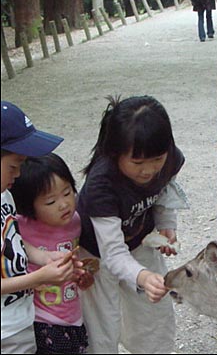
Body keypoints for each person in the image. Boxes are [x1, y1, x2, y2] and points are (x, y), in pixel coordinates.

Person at [77, 95, 188, 354]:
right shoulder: (102, 184)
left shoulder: (168, 157)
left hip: (138, 238)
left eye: (156, 160)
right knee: (103, 326)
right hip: (95, 251)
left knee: (154, 316)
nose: (148, 171)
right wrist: (142, 276)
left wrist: (166, 225)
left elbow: (164, 191)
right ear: (115, 153)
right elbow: (113, 255)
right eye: (137, 163)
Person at [1, 101, 78, 354]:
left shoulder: (5, 195)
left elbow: (13, 240)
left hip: (21, 319)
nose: (19, 174)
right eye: (14, 165)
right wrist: (38, 278)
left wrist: (44, 257)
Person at [10, 153, 88, 354]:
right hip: (41, 319)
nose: (64, 204)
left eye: (67, 192)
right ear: (28, 206)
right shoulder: (20, 225)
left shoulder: (77, 221)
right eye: (50, 202)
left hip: (73, 313)